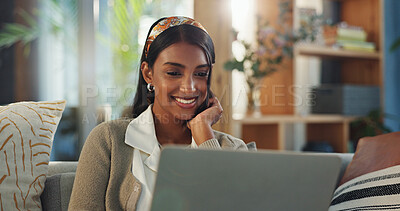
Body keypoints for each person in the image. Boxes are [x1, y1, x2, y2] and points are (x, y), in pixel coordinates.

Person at [68, 16, 249, 211]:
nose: (189, 88)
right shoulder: (108, 141)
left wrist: (204, 133)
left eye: (200, 73)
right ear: (148, 74)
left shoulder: (233, 150)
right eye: (174, 73)